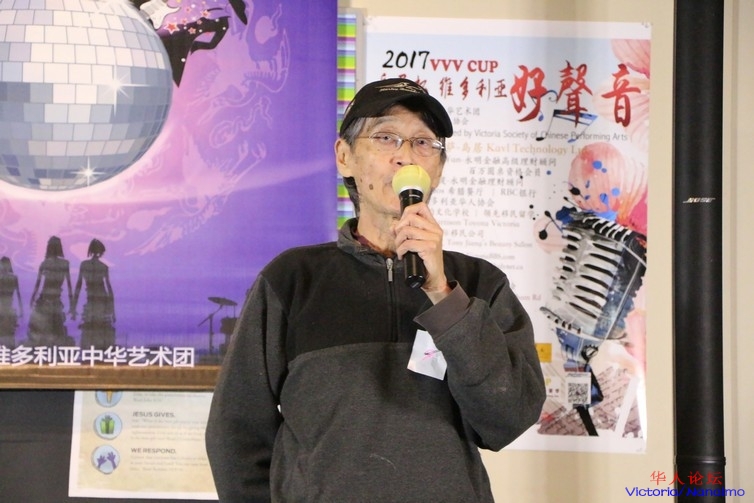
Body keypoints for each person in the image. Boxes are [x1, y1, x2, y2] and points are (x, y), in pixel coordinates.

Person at [205, 78, 546, 502]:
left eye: (423, 142)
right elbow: (235, 431)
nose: (405, 155)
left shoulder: (480, 284)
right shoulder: (292, 279)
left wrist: (442, 294)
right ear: (344, 157)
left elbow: (507, 419)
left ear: (438, 169)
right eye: (386, 137)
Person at [28, 236, 74, 346]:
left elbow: (38, 284)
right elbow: (69, 286)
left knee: (47, 330)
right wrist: (72, 304)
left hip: (46, 300)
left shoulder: (45, 263)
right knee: (54, 330)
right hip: (50, 300)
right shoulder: (63, 263)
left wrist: (32, 298)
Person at [70, 238, 116, 349]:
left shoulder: (84, 265)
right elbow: (109, 289)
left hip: (92, 300)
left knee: (91, 330)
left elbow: (78, 287)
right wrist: (113, 311)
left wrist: (73, 307)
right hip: (101, 300)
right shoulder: (103, 267)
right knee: (100, 330)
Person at [0, 256, 23, 348]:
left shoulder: (7, 277)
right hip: (8, 309)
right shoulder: (13, 277)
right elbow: (18, 295)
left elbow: (18, 294)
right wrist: (21, 310)